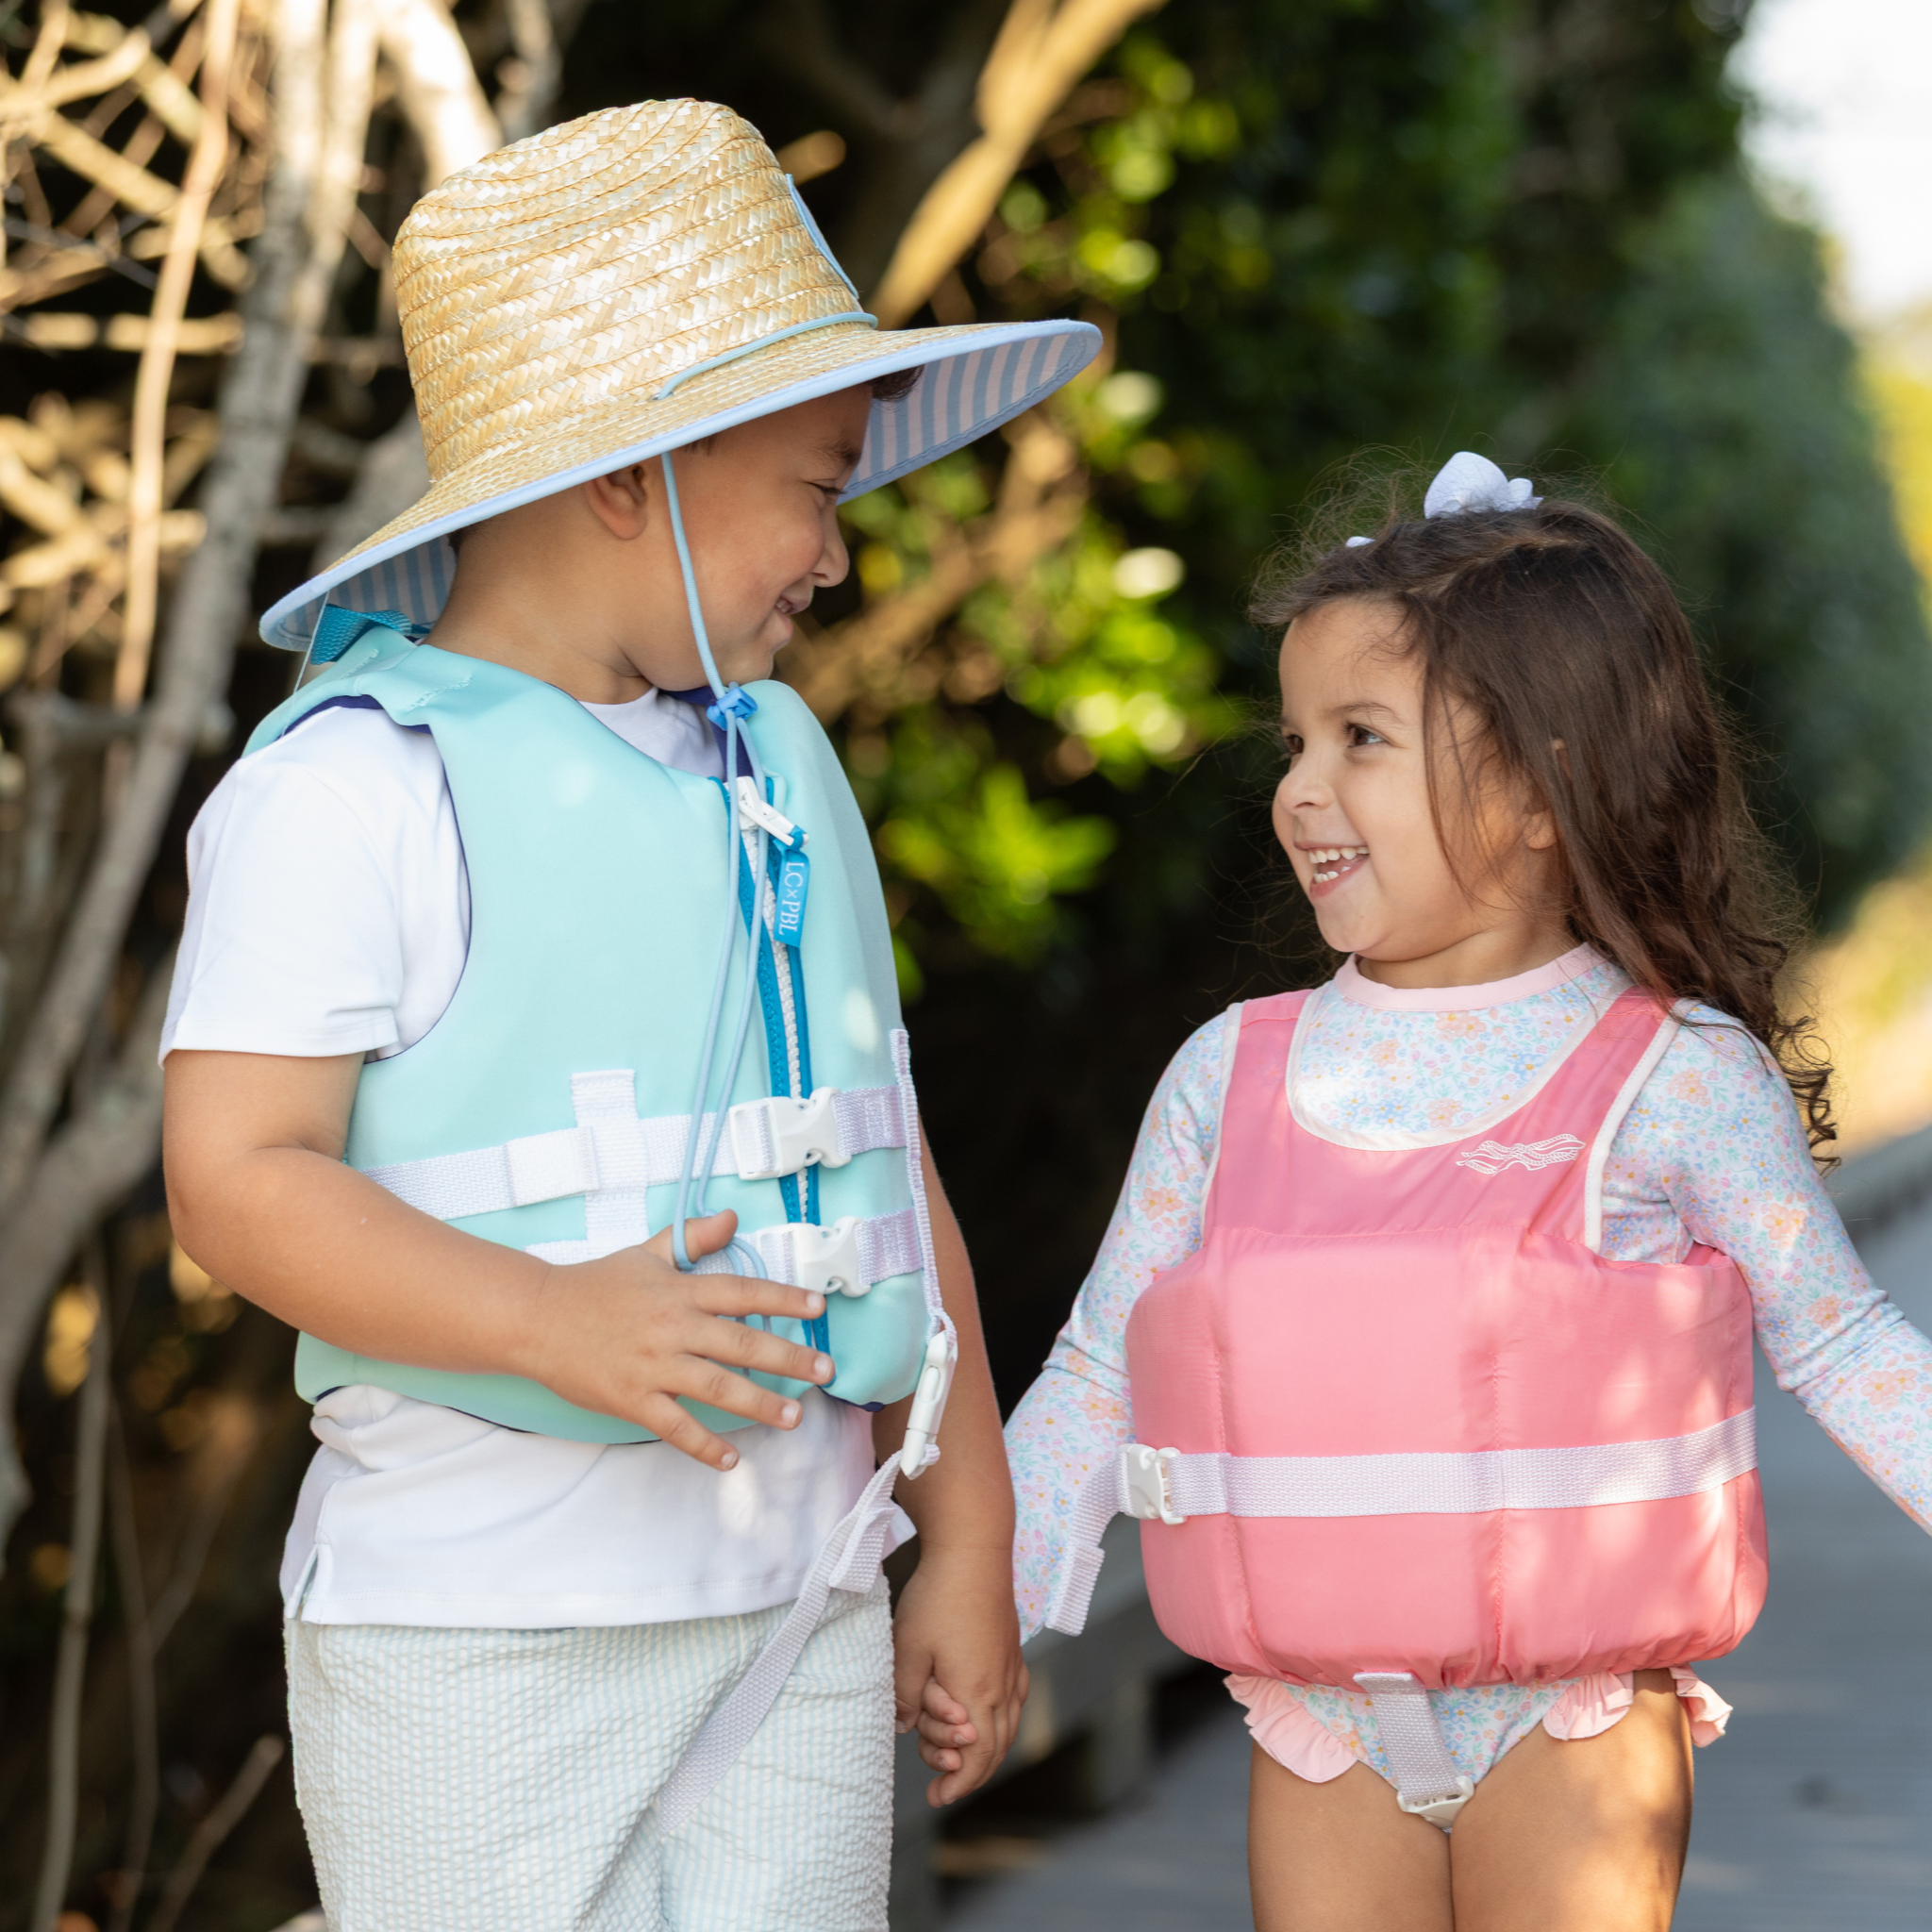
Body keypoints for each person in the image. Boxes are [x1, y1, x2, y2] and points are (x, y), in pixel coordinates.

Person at [161, 99, 1098, 1932]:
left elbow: (877, 1156)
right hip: (478, 1627)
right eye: (818, 485)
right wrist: (548, 1321)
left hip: (803, 1596)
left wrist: (965, 1525)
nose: (839, 549)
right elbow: (233, 1180)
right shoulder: (357, 789)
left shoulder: (773, 777)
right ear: (633, 470)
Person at [1007, 451, 1932, 1931]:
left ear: (1544, 783)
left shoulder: (1673, 1077)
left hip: (1571, 1725)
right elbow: (1098, 1361)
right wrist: (983, 1605)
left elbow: (1841, 1340)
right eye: (1295, 742)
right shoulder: (1227, 1077)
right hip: (1315, 1729)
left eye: (1360, 738)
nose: (1300, 790)